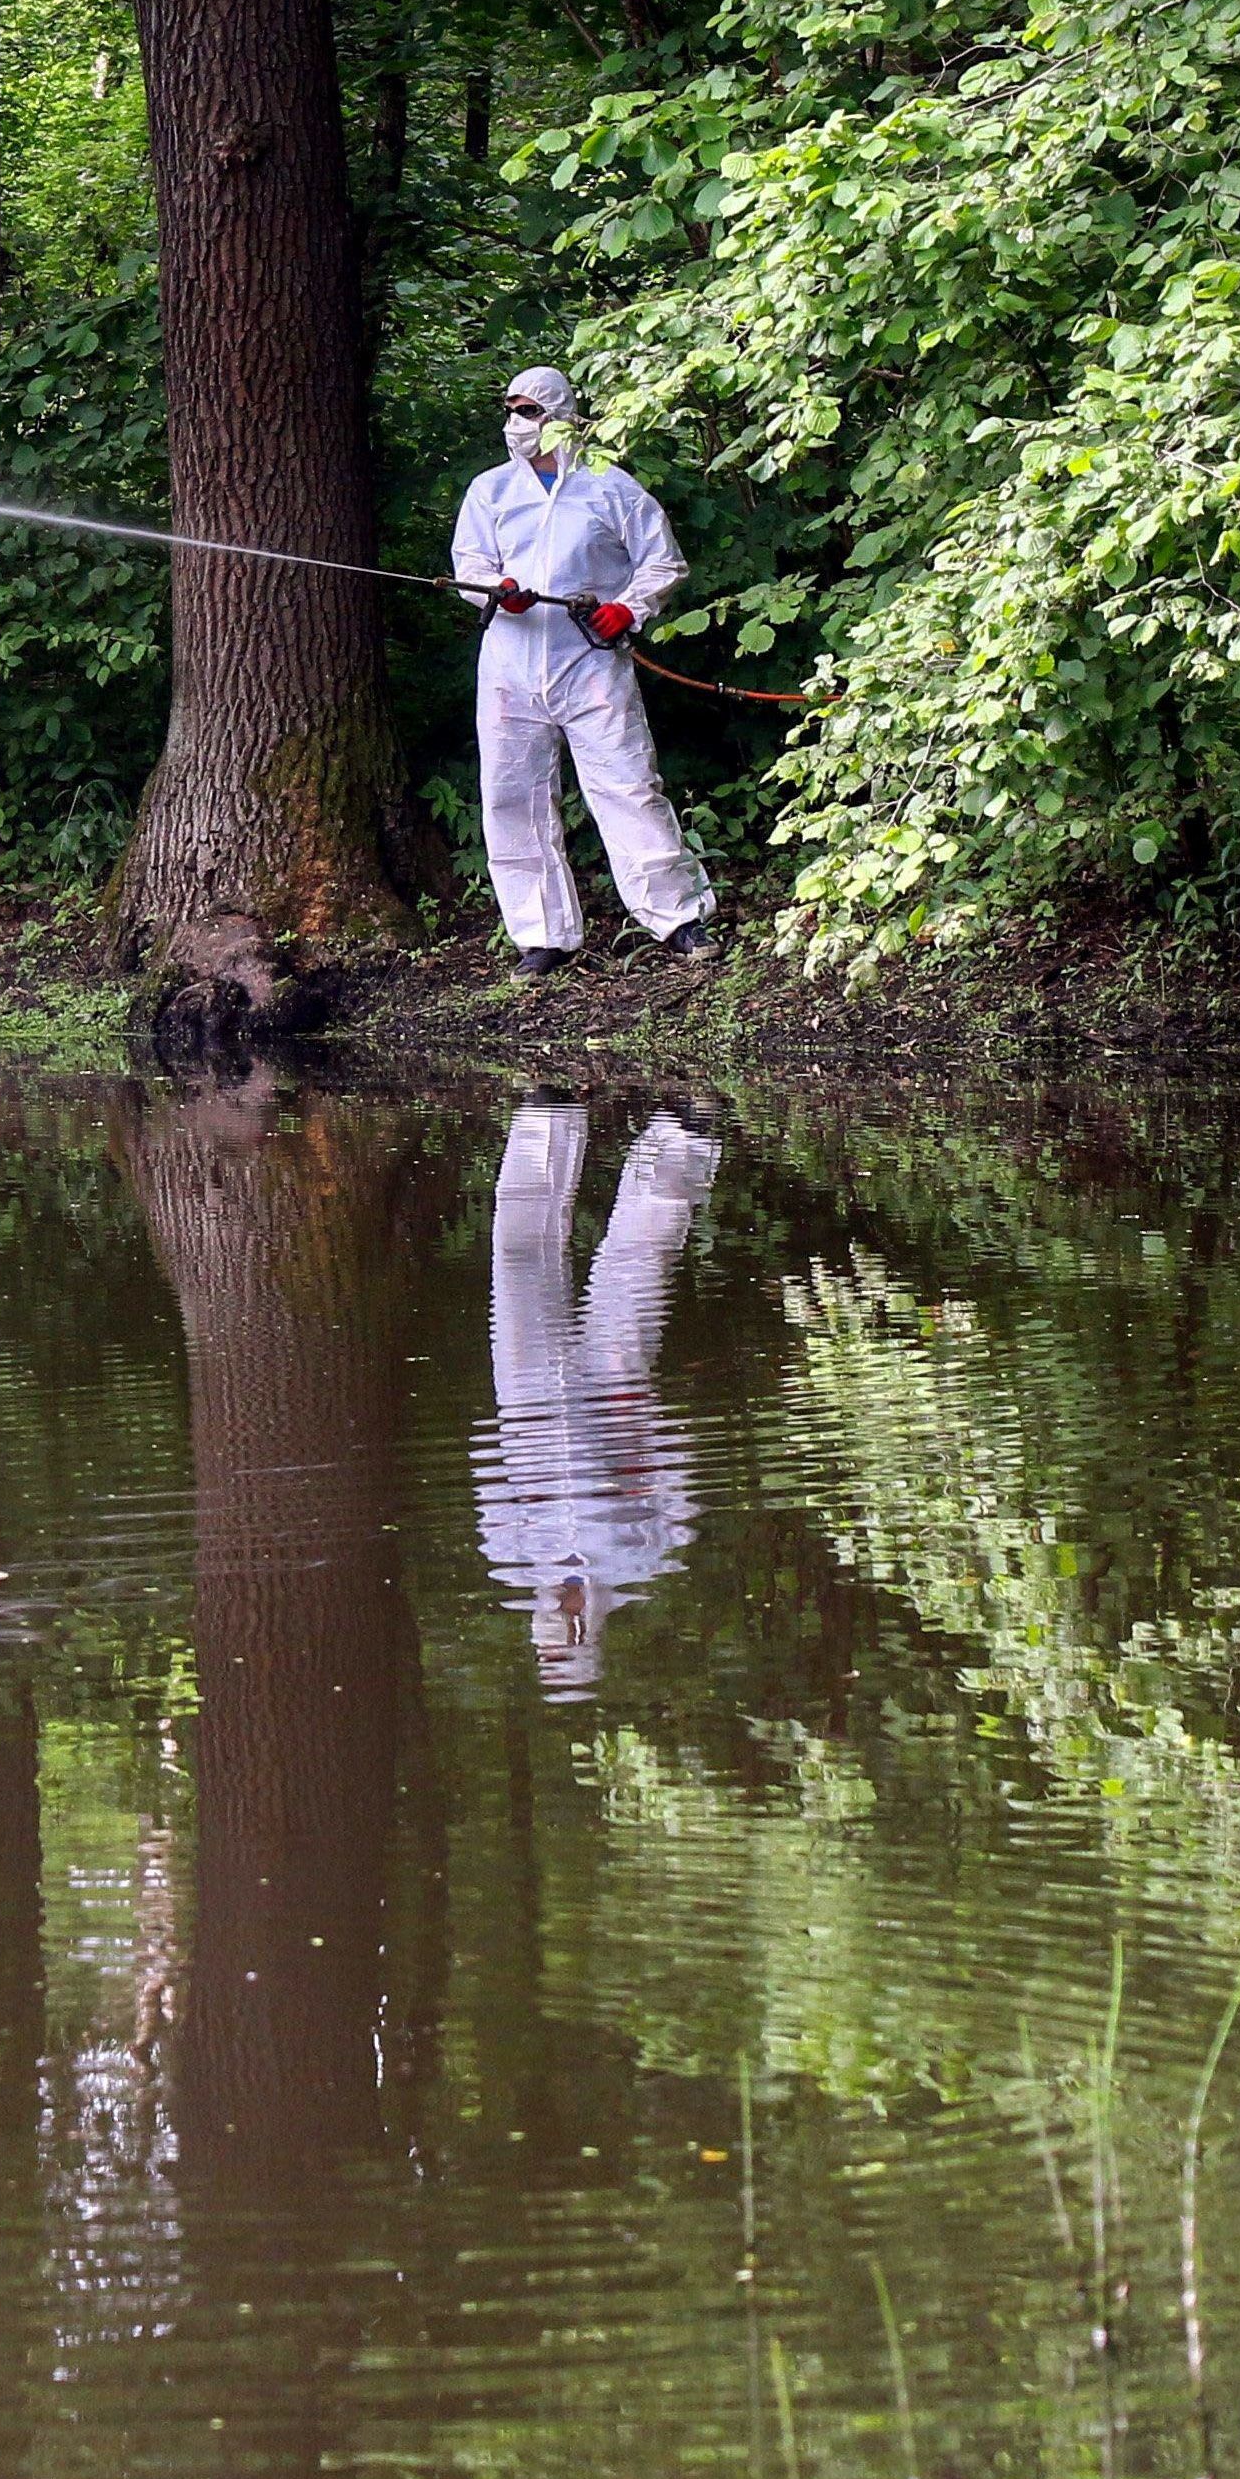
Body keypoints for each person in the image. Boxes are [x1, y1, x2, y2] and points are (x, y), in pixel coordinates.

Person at [449, 368, 716, 974]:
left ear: (561, 415)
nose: (518, 423)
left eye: (530, 410)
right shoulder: (490, 491)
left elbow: (662, 564)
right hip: (510, 662)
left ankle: (677, 917)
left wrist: (628, 608)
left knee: (626, 784)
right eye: (512, 409)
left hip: (590, 660)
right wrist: (498, 590)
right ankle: (541, 935)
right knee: (512, 795)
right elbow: (470, 563)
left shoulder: (610, 488)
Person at [470, 1101, 718, 1699]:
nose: (553, 1631)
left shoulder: (511, 1560)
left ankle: (545, 1114)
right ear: (584, 1637)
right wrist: (653, 1431)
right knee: (640, 1263)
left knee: (517, 1261)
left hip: (528, 1396)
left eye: (547, 1649)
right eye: (561, 1647)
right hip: (615, 1398)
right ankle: (685, 1132)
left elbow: (491, 1483)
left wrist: (512, 1431)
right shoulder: (642, 1564)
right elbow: (678, 1492)